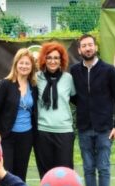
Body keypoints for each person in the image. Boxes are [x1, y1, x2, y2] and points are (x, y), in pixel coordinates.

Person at [70, 34, 115, 186]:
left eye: (90, 45)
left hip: (105, 129)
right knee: (88, 168)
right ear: (79, 50)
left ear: (96, 47)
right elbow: (72, 96)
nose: (87, 48)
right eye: (84, 46)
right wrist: (86, 106)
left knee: (103, 168)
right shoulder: (74, 71)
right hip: (84, 128)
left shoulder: (109, 70)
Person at [0, 48, 39, 186]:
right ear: (16, 64)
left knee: (20, 174)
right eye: (21, 63)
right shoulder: (6, 84)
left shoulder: (34, 86)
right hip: (7, 137)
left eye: (28, 63)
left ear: (32, 67)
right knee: (5, 173)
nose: (24, 66)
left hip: (26, 136)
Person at [34, 42, 76, 178]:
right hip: (42, 132)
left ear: (61, 60)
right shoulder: (36, 78)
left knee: (65, 173)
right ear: (44, 59)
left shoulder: (68, 79)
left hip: (64, 131)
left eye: (56, 58)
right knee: (46, 174)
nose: (53, 61)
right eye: (49, 57)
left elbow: (76, 99)